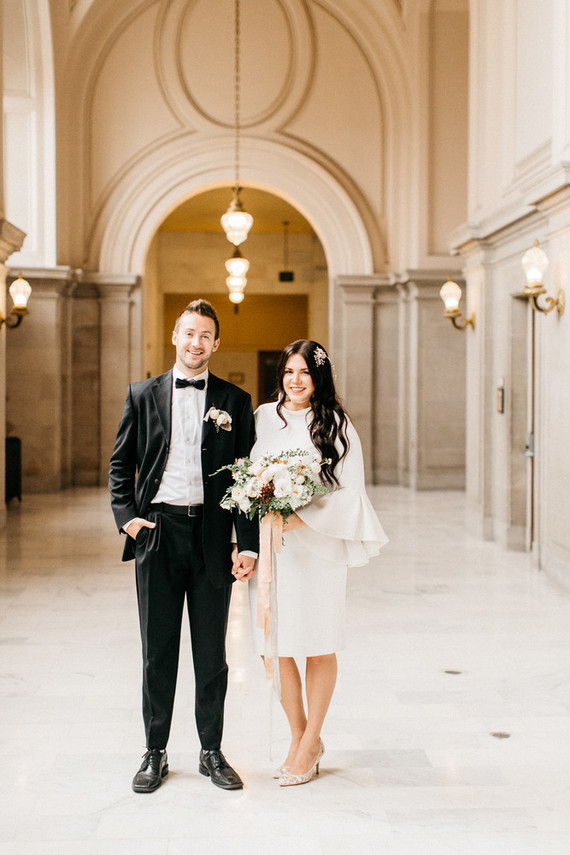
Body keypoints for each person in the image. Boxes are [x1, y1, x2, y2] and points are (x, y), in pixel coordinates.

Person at [109, 299, 259, 793]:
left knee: (212, 653)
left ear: (216, 344)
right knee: (158, 651)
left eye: (205, 336)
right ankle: (154, 751)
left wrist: (247, 544)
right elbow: (119, 466)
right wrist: (129, 520)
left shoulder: (235, 402)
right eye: (188, 333)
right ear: (175, 337)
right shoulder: (142, 394)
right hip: (158, 533)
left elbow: (247, 479)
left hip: (213, 539)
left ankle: (211, 750)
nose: (196, 343)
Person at [247, 339, 388, 787]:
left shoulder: (337, 424)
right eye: (288, 371)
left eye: (304, 372)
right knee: (279, 643)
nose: (295, 380)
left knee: (318, 643)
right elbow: (248, 475)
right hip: (278, 552)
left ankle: (312, 740)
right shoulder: (263, 418)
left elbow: (350, 491)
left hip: (319, 550)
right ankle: (298, 737)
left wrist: (300, 518)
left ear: (319, 377)